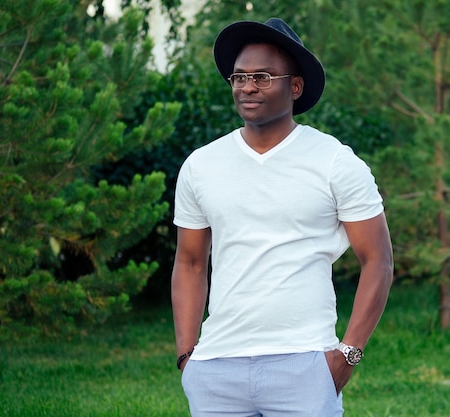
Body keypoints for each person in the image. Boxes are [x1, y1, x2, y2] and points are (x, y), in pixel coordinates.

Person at [171, 17, 393, 417]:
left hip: (305, 365)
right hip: (216, 368)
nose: (248, 86)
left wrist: (347, 357)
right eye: (239, 77)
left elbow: (378, 261)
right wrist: (187, 357)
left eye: (262, 76)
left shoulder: (335, 163)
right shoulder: (201, 166)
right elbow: (189, 262)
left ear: (295, 86)